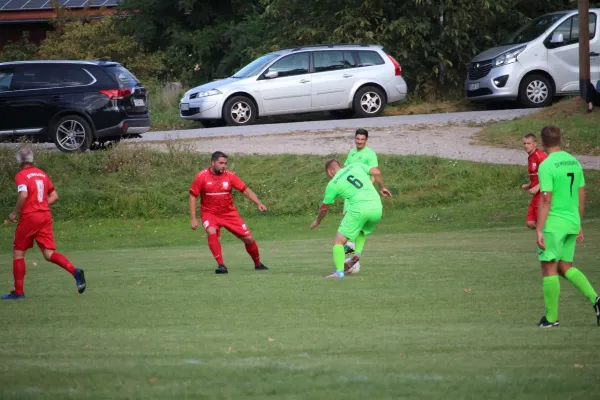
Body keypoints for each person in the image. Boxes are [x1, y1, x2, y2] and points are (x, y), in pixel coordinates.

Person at [535, 126, 600, 328]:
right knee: (564, 267)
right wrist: (578, 223)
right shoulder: (574, 162)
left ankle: (551, 319)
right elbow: (581, 195)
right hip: (572, 222)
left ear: (543, 143)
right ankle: (596, 299)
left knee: (549, 268)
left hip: (554, 223)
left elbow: (546, 200)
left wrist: (539, 228)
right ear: (560, 140)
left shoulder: (546, 165)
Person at [2, 148, 86, 300]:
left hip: (30, 217)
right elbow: (54, 196)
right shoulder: (42, 174)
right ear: (32, 159)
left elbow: (23, 194)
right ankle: (75, 271)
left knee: (18, 253)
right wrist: (40, 204)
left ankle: (19, 293)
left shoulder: (21, 175)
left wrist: (15, 212)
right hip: (45, 216)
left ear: (19, 161)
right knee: (48, 254)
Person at [189, 151, 269, 274]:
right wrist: (193, 218)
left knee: (248, 238)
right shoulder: (202, 176)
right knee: (211, 231)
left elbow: (246, 190)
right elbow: (193, 196)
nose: (224, 166)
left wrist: (259, 203)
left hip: (229, 213)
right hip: (209, 213)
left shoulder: (230, 176)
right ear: (213, 162)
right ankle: (221, 265)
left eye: (225, 163)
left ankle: (258, 264)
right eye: (221, 163)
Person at [309, 160, 391, 278]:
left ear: (329, 172)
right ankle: (356, 255)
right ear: (339, 166)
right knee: (362, 231)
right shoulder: (355, 165)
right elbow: (376, 172)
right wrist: (382, 187)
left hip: (359, 209)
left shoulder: (333, 183)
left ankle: (339, 272)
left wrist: (317, 221)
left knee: (339, 242)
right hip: (377, 207)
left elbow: (324, 208)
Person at [343, 128, 379, 255]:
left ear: (366, 140)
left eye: (362, 139)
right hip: (349, 193)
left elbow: (374, 174)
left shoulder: (370, 154)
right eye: (357, 139)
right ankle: (352, 256)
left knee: (356, 220)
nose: (359, 141)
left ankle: (351, 247)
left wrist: (366, 188)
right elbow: (345, 170)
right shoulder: (352, 153)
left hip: (361, 194)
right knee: (348, 217)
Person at [521, 133, 547, 229]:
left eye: (528, 143)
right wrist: (529, 185)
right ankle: (545, 233)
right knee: (530, 222)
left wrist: (538, 186)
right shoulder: (531, 157)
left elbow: (550, 175)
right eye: (524, 143)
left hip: (543, 194)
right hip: (536, 194)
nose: (526, 146)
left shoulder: (540, 156)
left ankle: (550, 236)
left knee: (541, 222)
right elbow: (537, 175)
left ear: (535, 144)